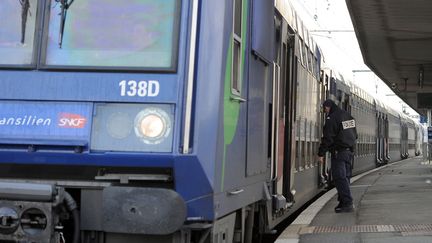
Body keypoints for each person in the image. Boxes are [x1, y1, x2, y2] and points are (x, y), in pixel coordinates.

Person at [318, 99, 357, 213]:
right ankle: (342, 202)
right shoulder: (348, 116)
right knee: (345, 178)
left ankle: (347, 203)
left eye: (325, 109)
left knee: (339, 178)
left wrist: (321, 153)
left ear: (328, 107)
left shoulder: (332, 118)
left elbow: (328, 137)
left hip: (339, 152)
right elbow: (355, 134)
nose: (325, 112)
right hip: (349, 152)